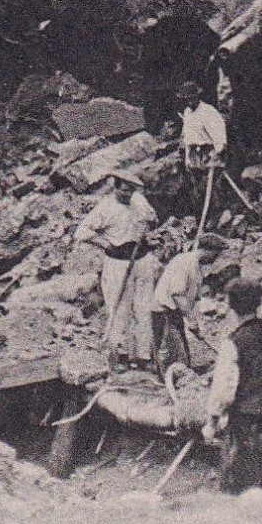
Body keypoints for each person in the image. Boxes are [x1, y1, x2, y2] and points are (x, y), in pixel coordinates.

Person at [205, 277, 262, 493]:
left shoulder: (233, 342)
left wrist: (212, 423)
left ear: (231, 306)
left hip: (245, 424)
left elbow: (224, 391)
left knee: (240, 485)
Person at [72, 169, 158, 364]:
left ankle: (143, 355)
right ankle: (121, 354)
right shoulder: (105, 207)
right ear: (116, 188)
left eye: (131, 191)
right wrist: (105, 243)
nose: (128, 195)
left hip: (142, 260)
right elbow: (81, 231)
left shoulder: (139, 201)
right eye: (125, 190)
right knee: (120, 308)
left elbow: (152, 218)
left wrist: (150, 224)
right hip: (118, 263)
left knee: (144, 308)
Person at [149, 233, 224, 376]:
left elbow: (192, 299)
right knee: (175, 358)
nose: (216, 259)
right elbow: (176, 294)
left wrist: (194, 322)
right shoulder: (184, 263)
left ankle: (172, 378)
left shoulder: (196, 266)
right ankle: (167, 384)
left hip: (174, 313)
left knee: (182, 357)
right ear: (207, 250)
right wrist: (190, 318)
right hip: (163, 312)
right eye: (216, 254)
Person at [177, 80, 226, 175]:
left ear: (198, 96)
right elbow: (187, 136)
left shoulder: (208, 111)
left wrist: (217, 153)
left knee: (210, 187)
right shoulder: (187, 112)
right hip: (194, 156)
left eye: (192, 98)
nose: (190, 102)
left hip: (208, 154)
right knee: (196, 187)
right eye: (186, 99)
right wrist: (188, 158)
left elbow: (220, 136)